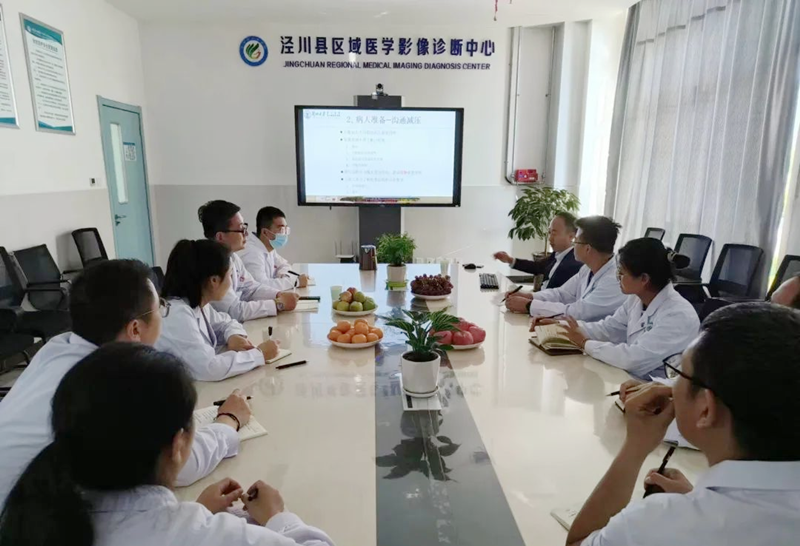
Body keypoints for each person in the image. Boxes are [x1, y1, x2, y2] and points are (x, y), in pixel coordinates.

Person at [0, 343, 334, 546]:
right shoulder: (209, 536)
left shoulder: (35, 519)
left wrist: (196, 513)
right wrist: (278, 518)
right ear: (177, 445)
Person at [0, 260, 251, 506]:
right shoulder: (111, 382)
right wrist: (229, 420)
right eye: (160, 308)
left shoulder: (58, 346)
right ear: (135, 329)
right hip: (22, 519)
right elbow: (178, 464)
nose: (163, 315)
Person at [567, 303, 800, 546]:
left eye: (679, 374)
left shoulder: (656, 525)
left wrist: (636, 447)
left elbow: (578, 542)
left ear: (706, 409)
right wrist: (696, 497)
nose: (669, 386)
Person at [546, 238, 699, 379]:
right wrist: (561, 326)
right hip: (631, 380)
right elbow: (608, 328)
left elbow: (634, 359)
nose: (617, 278)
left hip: (659, 389)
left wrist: (585, 343)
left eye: (621, 273)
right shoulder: (636, 299)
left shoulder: (678, 315)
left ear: (644, 279)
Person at [156, 240, 279, 381]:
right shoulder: (177, 314)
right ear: (214, 280)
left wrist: (233, 335)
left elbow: (226, 322)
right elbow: (210, 368)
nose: (231, 282)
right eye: (230, 275)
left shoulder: (197, 303)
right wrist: (259, 354)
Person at [506, 216, 626, 322]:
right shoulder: (587, 269)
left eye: (576, 241)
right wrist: (530, 296)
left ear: (587, 249)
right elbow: (561, 293)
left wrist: (529, 306)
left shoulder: (614, 280)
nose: (573, 246)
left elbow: (578, 312)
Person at [198, 200, 299, 321]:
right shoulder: (211, 266)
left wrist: (278, 294)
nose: (246, 234)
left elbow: (252, 288)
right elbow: (234, 310)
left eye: (245, 227)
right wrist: (278, 304)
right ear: (220, 236)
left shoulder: (233, 257)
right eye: (241, 229)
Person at [493, 212, 582, 289]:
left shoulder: (574, 264)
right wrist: (509, 260)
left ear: (571, 236)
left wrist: (529, 299)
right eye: (550, 232)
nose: (550, 238)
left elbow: (557, 297)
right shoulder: (557, 254)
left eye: (554, 233)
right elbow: (537, 266)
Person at [239, 206, 309, 290]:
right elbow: (260, 286)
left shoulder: (267, 246)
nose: (284, 234)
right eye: (281, 229)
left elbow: (284, 265)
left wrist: (284, 275)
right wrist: (295, 282)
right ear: (265, 232)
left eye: (286, 229)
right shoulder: (252, 253)